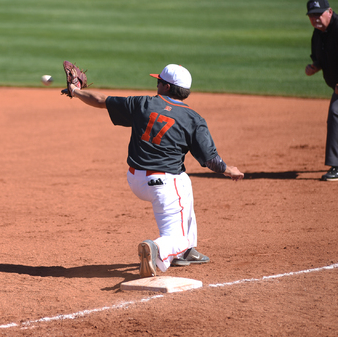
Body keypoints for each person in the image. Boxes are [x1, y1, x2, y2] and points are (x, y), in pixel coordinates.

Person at [64, 64, 244, 278]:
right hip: (164, 187)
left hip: (135, 179)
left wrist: (75, 91)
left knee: (185, 182)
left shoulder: (142, 103)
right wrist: (228, 169)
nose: (156, 84)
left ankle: (187, 251)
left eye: (158, 81)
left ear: (166, 87)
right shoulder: (194, 119)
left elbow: (101, 100)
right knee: (175, 237)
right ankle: (158, 248)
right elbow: (210, 160)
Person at [304, 0, 338, 181]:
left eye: (319, 14)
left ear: (330, 12)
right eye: (312, 15)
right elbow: (321, 58)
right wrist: (315, 67)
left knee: (335, 113)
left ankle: (336, 166)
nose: (315, 18)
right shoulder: (318, 33)